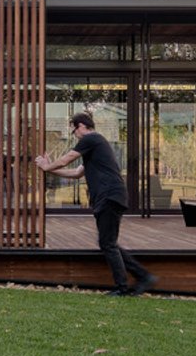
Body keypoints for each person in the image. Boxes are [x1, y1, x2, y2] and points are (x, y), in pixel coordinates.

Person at [34, 111, 157, 296]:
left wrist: (46, 165)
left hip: (109, 196)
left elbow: (66, 159)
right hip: (110, 196)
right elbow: (76, 172)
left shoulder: (91, 139)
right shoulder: (96, 145)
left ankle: (124, 286)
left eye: (74, 130)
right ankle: (143, 277)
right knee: (108, 242)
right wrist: (50, 170)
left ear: (82, 126)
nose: (74, 134)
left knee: (107, 243)